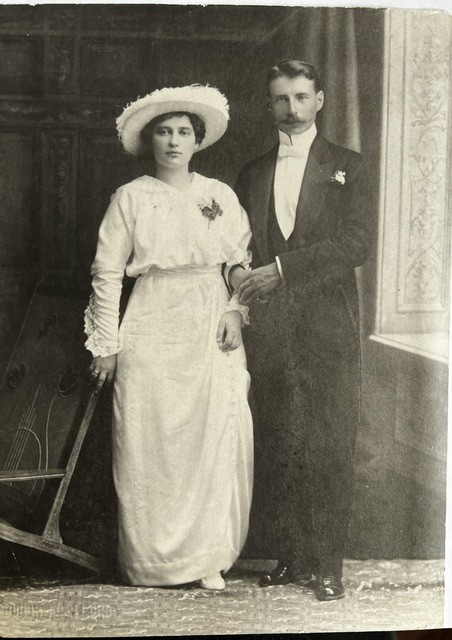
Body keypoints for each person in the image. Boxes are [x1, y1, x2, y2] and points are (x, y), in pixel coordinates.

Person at [84, 85, 253, 590]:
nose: (174, 141)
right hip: (151, 319)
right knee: (149, 437)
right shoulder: (131, 197)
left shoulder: (219, 195)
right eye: (164, 131)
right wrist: (106, 344)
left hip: (208, 319)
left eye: (183, 132)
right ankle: (152, 562)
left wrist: (236, 310)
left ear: (197, 140)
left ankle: (206, 558)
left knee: (210, 434)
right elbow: (107, 271)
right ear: (150, 140)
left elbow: (239, 263)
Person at [230, 60, 370, 601]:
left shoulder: (349, 166)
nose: (291, 109)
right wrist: (243, 275)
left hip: (329, 324)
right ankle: (291, 555)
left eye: (301, 97)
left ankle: (328, 564)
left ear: (320, 100)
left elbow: (355, 244)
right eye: (281, 99)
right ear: (269, 104)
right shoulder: (252, 171)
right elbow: (237, 244)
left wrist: (283, 270)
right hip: (271, 328)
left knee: (330, 440)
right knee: (281, 437)